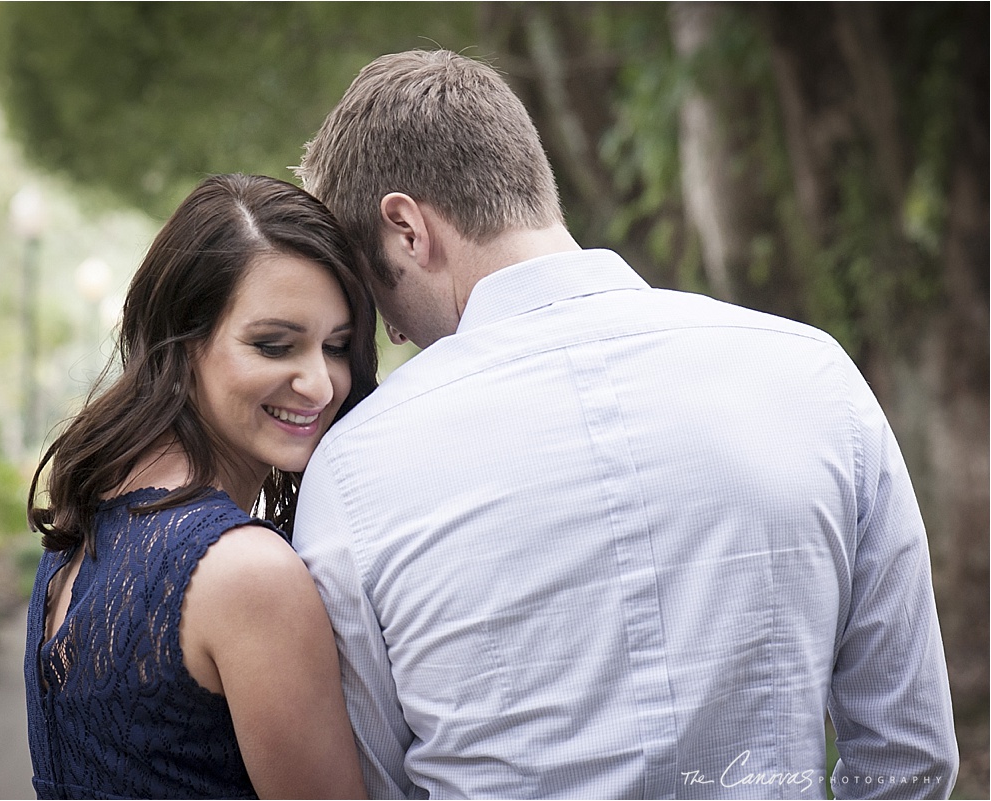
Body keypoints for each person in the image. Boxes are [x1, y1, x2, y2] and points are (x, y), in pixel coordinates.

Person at [292, 50, 959, 800]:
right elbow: (911, 756)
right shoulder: (814, 377)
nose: (396, 332)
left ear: (407, 228)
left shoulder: (354, 469)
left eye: (379, 294)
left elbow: (376, 784)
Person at [22, 174, 376, 800]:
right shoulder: (246, 572)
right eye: (274, 345)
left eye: (338, 347)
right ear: (183, 344)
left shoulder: (85, 523)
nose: (321, 385)